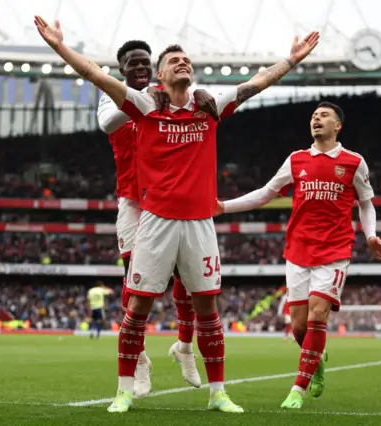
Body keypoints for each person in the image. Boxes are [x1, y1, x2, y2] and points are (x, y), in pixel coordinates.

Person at [34, 15, 319, 413]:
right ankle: (124, 389)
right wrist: (58, 46)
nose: (183, 63)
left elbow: (257, 84)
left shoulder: (210, 106)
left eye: (186, 60)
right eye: (174, 61)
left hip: (200, 223)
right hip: (153, 220)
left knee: (208, 309)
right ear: (161, 76)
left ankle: (218, 392)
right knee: (136, 309)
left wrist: (290, 61)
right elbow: (94, 75)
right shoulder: (144, 104)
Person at [217, 101, 381, 409]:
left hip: (335, 249)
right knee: (298, 326)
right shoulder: (296, 160)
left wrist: (371, 236)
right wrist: (224, 206)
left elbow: (366, 202)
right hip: (298, 249)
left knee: (317, 315)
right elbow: (266, 193)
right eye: (313, 116)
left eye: (323, 116)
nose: (316, 119)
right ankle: (318, 358)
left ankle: (298, 388)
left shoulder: (353, 162)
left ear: (338, 126)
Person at [97, 39, 218, 397]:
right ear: (122, 71)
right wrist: (148, 96)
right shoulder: (114, 95)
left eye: (145, 63)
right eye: (133, 63)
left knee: (187, 274)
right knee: (133, 283)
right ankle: (140, 360)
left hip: (169, 201)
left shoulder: (172, 94)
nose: (140, 67)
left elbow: (191, 93)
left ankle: (184, 347)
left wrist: (199, 90)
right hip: (134, 202)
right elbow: (107, 123)